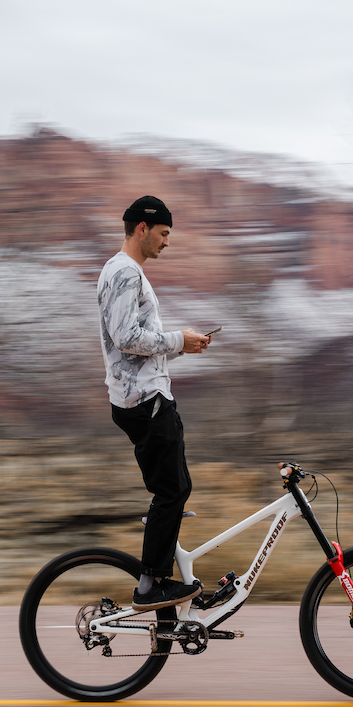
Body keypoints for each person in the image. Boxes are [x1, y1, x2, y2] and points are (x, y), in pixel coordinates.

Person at [97, 195, 213, 612]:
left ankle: (162, 576)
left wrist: (183, 346)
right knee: (172, 490)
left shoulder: (123, 271)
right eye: (163, 233)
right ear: (142, 228)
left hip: (140, 395)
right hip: (146, 401)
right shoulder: (126, 272)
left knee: (175, 488)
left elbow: (134, 346)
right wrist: (178, 339)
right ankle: (150, 587)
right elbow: (126, 338)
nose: (167, 242)